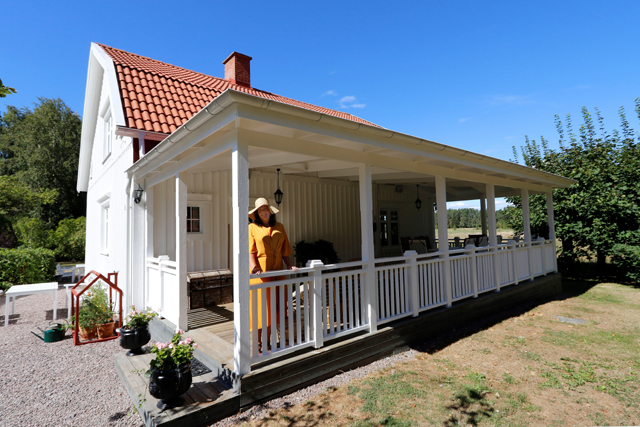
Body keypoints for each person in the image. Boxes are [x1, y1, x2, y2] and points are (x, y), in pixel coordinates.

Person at [248, 198, 298, 346]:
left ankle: (269, 342)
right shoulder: (252, 227)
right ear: (257, 213)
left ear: (270, 211)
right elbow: (250, 251)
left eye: (265, 208)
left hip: (277, 272)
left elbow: (285, 249)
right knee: (261, 309)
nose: (263, 211)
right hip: (261, 274)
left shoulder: (280, 227)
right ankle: (258, 343)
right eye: (260, 210)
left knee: (275, 308)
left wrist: (289, 265)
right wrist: (254, 267)